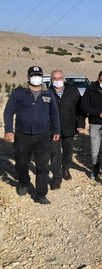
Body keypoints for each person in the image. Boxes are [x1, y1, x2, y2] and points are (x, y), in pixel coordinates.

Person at [3, 66, 61, 204]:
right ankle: (24, 183)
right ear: (28, 77)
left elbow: (54, 113)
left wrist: (57, 130)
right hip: (23, 135)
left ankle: (40, 194)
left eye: (38, 75)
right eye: (33, 75)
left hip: (43, 134)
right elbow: (9, 111)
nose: (36, 78)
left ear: (42, 77)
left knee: (42, 165)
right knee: (21, 163)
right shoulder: (18, 92)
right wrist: (9, 129)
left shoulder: (48, 93)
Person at [48, 69, 85, 189]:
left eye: (60, 78)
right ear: (51, 80)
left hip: (69, 127)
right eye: (55, 79)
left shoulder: (72, 91)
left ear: (64, 79)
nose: (57, 81)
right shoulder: (47, 92)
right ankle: (57, 178)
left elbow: (80, 109)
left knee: (68, 151)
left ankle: (66, 169)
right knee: (55, 153)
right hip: (53, 129)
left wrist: (80, 123)